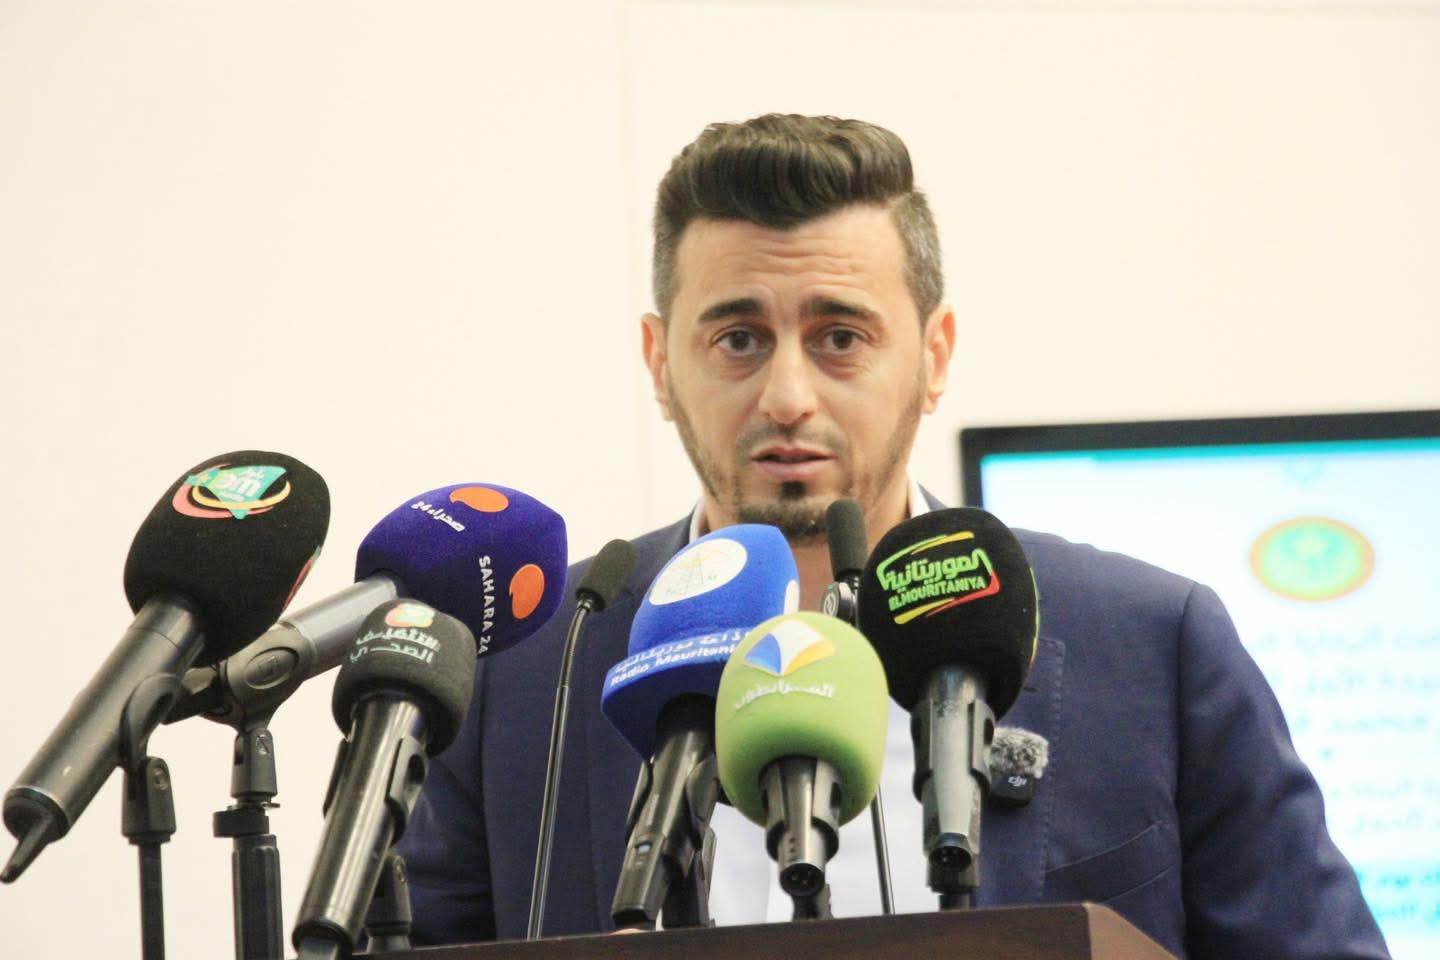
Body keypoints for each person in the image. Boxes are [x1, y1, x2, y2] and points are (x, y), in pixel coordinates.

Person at [395, 114, 1390, 958]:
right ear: (660, 363)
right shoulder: (527, 671)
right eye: (738, 339)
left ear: (934, 354)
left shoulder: (1150, 645)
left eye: (840, 337)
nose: (788, 396)